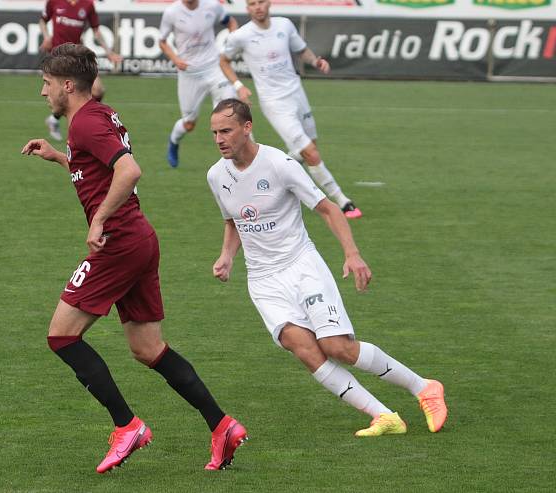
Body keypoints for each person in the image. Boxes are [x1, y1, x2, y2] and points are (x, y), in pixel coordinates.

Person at [21, 44, 246, 473]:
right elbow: (99, 166)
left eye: (47, 84)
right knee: (147, 348)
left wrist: (98, 220)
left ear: (68, 85)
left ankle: (127, 426)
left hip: (119, 241)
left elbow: (129, 170)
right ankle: (221, 426)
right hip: (140, 239)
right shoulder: (100, 114)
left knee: (61, 336)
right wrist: (60, 158)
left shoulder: (85, 122)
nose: (43, 92)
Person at [206, 99, 447, 436]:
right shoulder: (217, 175)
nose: (219, 139)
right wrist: (227, 256)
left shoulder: (280, 164)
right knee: (302, 348)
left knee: (338, 347)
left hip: (301, 265)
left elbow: (328, 209)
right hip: (263, 280)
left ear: (247, 128)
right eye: (215, 132)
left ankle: (424, 387)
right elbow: (233, 222)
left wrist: (352, 253)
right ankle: (383, 416)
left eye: (226, 131)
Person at [220, 0, 362, 219]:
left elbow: (301, 50)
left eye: (261, 2)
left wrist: (316, 62)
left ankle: (278, 170)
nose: (257, 7)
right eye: (251, 4)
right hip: (274, 103)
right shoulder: (241, 35)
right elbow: (224, 61)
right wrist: (239, 87)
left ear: (269, 4)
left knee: (311, 146)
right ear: (247, 8)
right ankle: (342, 200)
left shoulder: (284, 25)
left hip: (297, 93)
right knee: (311, 153)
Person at [158, 0, 238, 168]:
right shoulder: (172, 12)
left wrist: (231, 45)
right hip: (190, 73)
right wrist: (175, 59)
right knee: (189, 123)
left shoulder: (212, 5)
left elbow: (230, 22)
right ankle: (173, 141)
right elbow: (162, 41)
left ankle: (238, 157)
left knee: (231, 109)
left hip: (214, 68)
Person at [39, 0, 122, 141]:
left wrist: (109, 52)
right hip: (58, 57)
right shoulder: (54, 2)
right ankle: (77, 130)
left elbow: (96, 31)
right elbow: (42, 21)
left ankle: (57, 120)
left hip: (77, 55)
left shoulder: (88, 4)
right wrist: (47, 37)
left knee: (98, 90)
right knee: (64, 95)